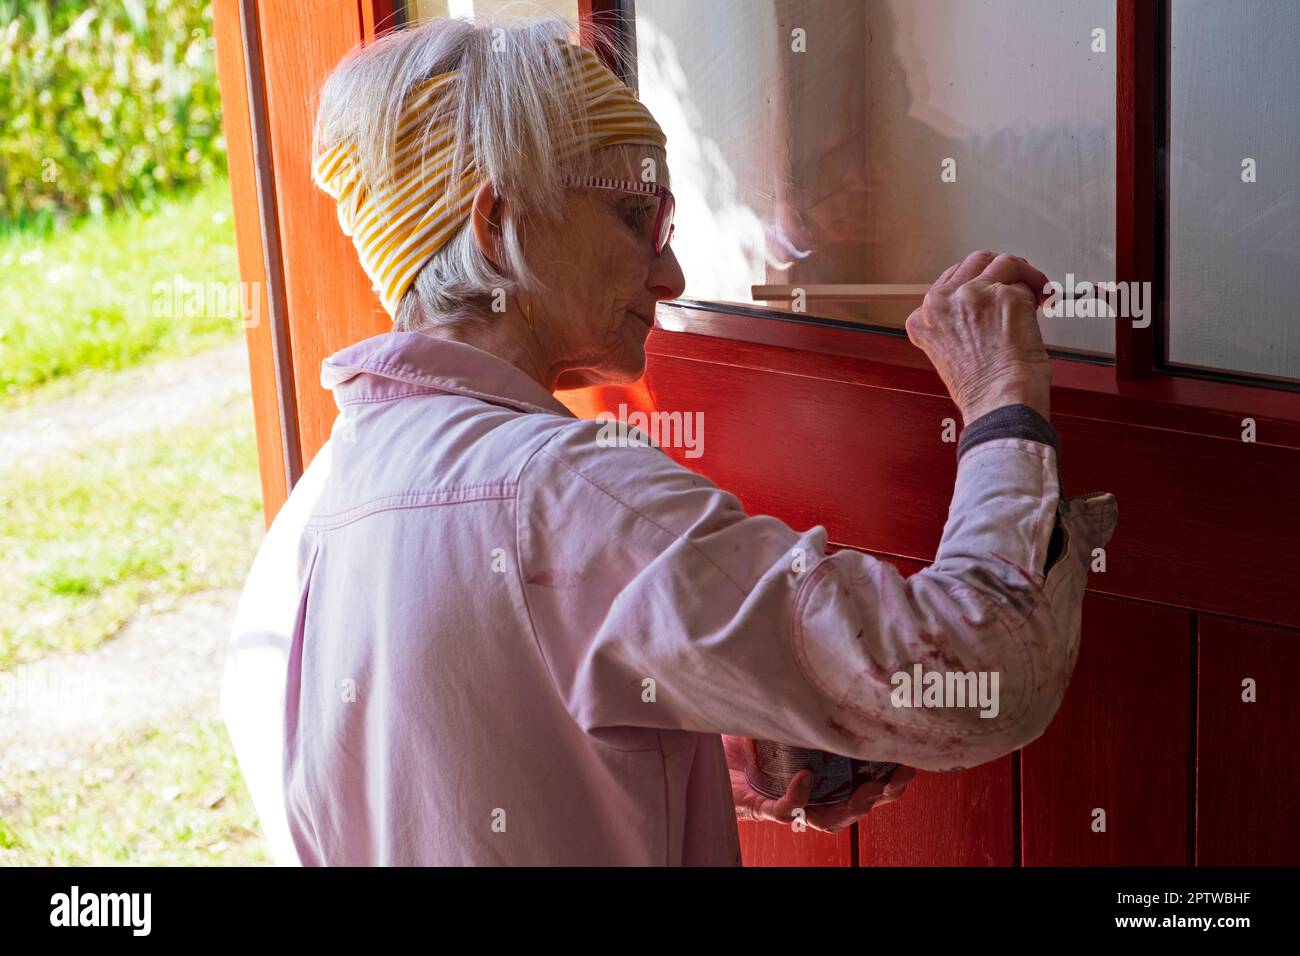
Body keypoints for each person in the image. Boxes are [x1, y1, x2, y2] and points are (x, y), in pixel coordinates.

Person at [220, 16, 1116, 865]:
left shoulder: (299, 532)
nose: (673, 271)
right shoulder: (566, 496)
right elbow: (982, 673)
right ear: (499, 227)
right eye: (633, 219)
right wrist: (1002, 397)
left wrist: (703, 727)